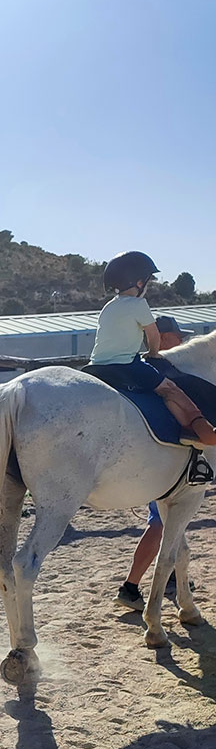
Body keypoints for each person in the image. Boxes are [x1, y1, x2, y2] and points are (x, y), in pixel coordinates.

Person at [86, 252, 216, 446]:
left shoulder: (108, 307)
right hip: (125, 366)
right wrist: (153, 354)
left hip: (95, 365)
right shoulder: (139, 304)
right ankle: (200, 428)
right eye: (146, 282)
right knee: (170, 389)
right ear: (139, 283)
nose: (146, 287)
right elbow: (153, 334)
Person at [115, 315, 195, 609]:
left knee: (171, 524)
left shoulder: (157, 369)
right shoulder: (157, 373)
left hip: (164, 461)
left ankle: (174, 577)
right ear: (161, 337)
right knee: (160, 524)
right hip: (161, 464)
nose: (182, 341)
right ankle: (131, 585)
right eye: (177, 335)